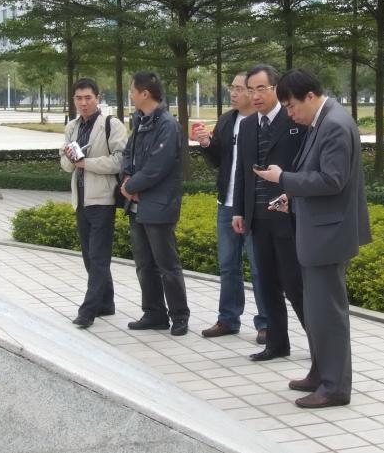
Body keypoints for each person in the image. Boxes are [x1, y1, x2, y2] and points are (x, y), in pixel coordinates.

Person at [256, 69, 370, 409]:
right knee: (318, 311)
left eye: (292, 106)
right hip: (320, 230)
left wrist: (283, 179)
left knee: (328, 313)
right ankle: (321, 374)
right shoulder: (323, 121)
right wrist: (293, 197)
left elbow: (332, 180)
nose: (291, 114)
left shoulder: (334, 124)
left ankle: (334, 387)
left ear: (310, 96)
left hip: (329, 234)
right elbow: (319, 175)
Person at [230, 65, 307, 364]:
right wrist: (239, 211)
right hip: (258, 218)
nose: (255, 95)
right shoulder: (248, 125)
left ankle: (320, 345)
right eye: (251, 90)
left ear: (276, 88)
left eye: (261, 88)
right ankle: (277, 343)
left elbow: (304, 168)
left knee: (295, 285)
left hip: (288, 214)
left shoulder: (294, 120)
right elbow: (242, 172)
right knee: (266, 284)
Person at [196, 71, 270, 343]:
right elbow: (219, 160)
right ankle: (228, 319)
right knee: (228, 266)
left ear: (253, 92)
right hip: (226, 203)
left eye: (240, 88)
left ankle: (267, 323)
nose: (234, 93)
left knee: (259, 267)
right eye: (233, 88)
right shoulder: (227, 120)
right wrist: (206, 143)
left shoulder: (264, 122)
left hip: (254, 206)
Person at [121, 71, 190, 336]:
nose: (130, 95)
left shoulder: (168, 125)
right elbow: (128, 154)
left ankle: (179, 315)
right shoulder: (139, 121)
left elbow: (157, 167)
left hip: (159, 205)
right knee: (144, 264)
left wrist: (131, 187)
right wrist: (127, 179)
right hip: (137, 205)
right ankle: (154, 313)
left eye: (132, 90)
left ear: (145, 93)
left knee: (167, 265)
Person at [59, 78, 127, 329]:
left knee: (98, 256)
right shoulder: (72, 127)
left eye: (88, 98)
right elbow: (66, 165)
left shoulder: (111, 124)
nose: (83, 103)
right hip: (80, 199)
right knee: (89, 256)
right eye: (79, 98)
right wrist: (70, 158)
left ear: (98, 98)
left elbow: (120, 160)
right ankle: (106, 303)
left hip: (102, 199)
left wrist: (87, 163)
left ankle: (88, 311)